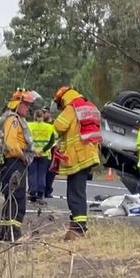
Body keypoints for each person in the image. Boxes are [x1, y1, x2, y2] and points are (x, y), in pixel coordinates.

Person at [53, 86, 101, 240]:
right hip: (90, 153)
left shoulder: (71, 108)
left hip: (78, 156)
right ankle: (78, 225)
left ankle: (79, 228)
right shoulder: (89, 106)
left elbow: (59, 125)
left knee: (74, 192)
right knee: (79, 190)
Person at [0, 90, 37, 241]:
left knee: (11, 197)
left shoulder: (14, 118)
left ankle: (6, 233)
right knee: (17, 197)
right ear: (18, 104)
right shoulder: (13, 119)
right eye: (26, 105)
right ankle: (13, 233)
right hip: (14, 163)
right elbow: (12, 144)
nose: (29, 109)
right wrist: (23, 156)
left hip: (12, 162)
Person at [27, 109, 56, 202]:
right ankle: (40, 193)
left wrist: (33, 150)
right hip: (44, 154)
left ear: (34, 117)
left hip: (32, 153)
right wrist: (43, 150)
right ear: (43, 117)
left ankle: (32, 192)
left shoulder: (29, 126)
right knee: (42, 174)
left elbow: (27, 139)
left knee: (32, 173)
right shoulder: (49, 127)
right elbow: (52, 141)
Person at [42, 106, 57, 198]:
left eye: (45, 112)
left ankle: (48, 190)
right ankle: (41, 189)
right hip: (43, 149)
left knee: (51, 171)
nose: (43, 115)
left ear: (49, 113)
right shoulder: (40, 123)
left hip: (54, 149)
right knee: (42, 171)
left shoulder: (55, 124)